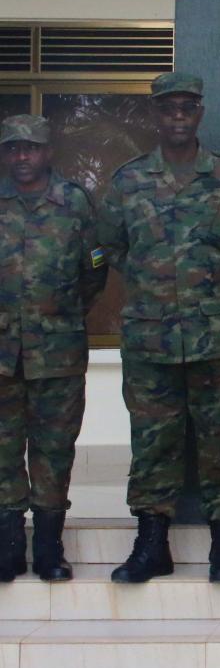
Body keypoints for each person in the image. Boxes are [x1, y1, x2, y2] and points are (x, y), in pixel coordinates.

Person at [97, 71, 220, 584]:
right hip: (151, 338)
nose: (177, 117)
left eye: (186, 108)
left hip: (216, 338)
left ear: (199, 113)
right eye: (168, 108)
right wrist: (155, 286)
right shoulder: (127, 182)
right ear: (154, 114)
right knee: (153, 442)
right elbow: (112, 247)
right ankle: (151, 545)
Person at [0, 114, 108, 582]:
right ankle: (8, 547)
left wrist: (58, 315)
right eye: (13, 148)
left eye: (30, 147)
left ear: (47, 152)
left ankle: (49, 549)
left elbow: (94, 272)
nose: (22, 156)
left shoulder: (74, 202)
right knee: (3, 451)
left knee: (54, 451)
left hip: (58, 353)